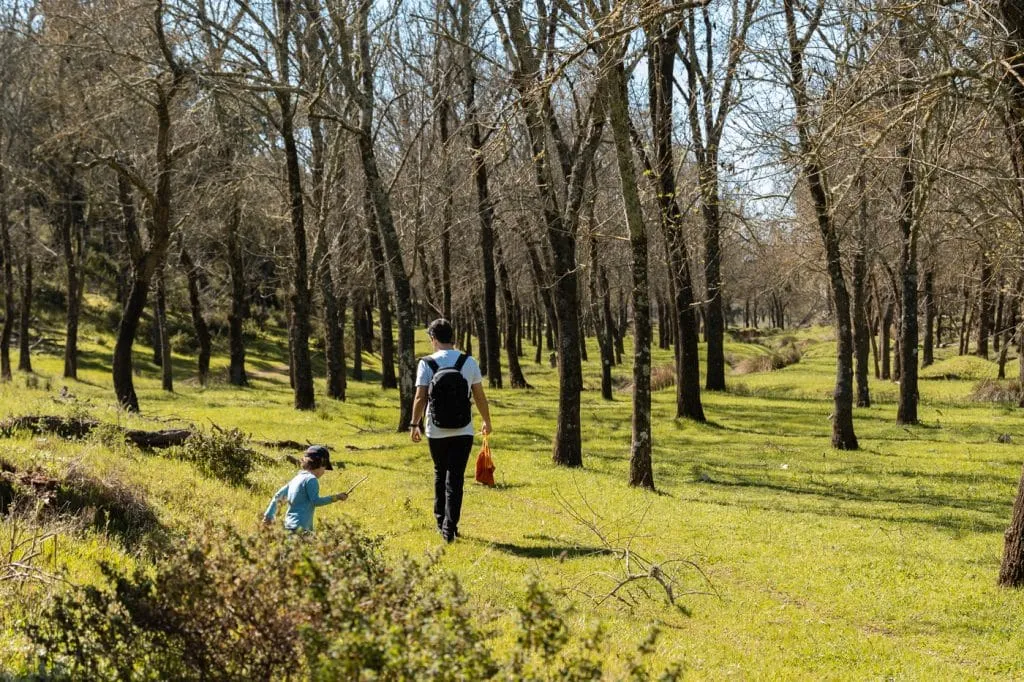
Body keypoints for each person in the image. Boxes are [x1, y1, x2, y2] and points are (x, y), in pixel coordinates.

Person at [411, 318, 492, 543]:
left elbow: (420, 397)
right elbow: (479, 396)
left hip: (436, 429)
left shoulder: (426, 363)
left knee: (440, 472)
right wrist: (487, 421)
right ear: (452, 336)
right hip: (463, 429)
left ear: (433, 339)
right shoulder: (469, 361)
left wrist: (414, 424)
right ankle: (451, 526)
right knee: (455, 478)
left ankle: (440, 522)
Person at [263, 445, 347, 532]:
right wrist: (336, 497)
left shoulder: (297, 478)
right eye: (325, 468)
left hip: (288, 527)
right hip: (301, 529)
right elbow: (316, 501)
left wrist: (268, 516)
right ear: (321, 463)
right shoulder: (311, 479)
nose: (324, 472)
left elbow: (278, 496)